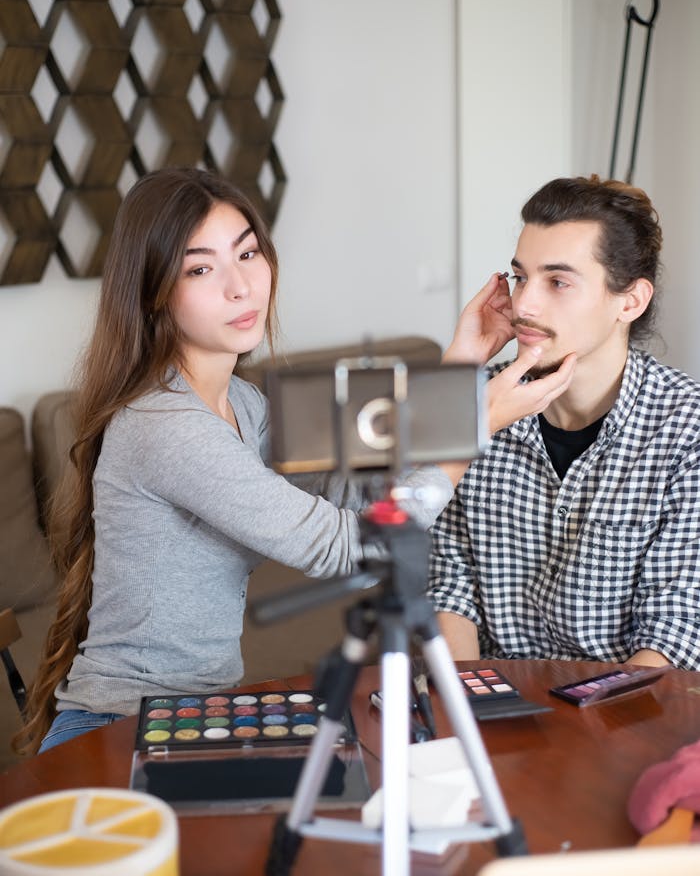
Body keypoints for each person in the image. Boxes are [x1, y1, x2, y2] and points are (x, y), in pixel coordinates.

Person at [17, 167, 574, 755]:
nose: (240, 287)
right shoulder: (167, 426)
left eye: (247, 254)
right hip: (122, 728)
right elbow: (349, 546)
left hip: (196, 716)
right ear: (154, 291)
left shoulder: (240, 403)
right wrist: (474, 426)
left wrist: (461, 364)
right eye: (200, 269)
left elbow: (349, 493)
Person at [430, 174, 700, 671]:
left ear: (630, 301)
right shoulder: (477, 403)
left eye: (557, 282)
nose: (524, 305)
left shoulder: (687, 430)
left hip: (626, 706)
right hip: (495, 697)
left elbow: (675, 630)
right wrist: (466, 702)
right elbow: (448, 587)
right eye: (520, 277)